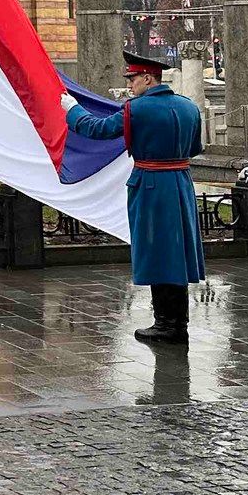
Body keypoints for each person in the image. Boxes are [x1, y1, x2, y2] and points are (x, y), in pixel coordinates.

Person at [64, 50, 206, 345]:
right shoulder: (189, 107)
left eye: (132, 79)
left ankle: (166, 324)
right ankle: (177, 322)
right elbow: (195, 148)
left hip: (151, 183)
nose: (130, 86)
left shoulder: (137, 109)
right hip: (180, 182)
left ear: (147, 77)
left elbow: (97, 129)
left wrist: (71, 109)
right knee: (176, 253)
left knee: (156, 251)